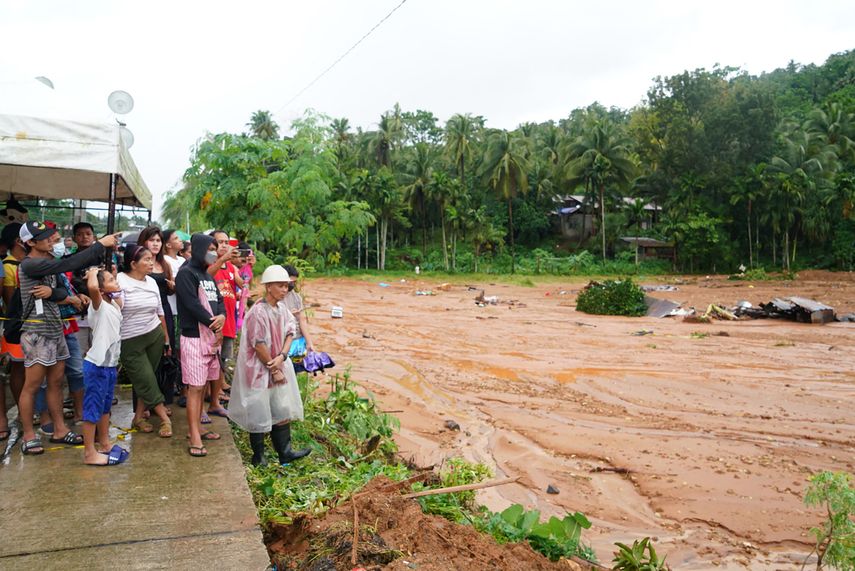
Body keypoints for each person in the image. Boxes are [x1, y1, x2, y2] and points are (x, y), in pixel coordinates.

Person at [16, 221, 118, 456]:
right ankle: (29, 435)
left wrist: (53, 293)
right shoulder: (30, 264)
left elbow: (63, 291)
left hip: (55, 328)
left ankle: (60, 429)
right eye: (45, 237)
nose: (51, 239)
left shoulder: (49, 262)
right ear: (30, 242)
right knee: (32, 385)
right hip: (36, 331)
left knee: (56, 382)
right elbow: (69, 264)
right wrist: (100, 245)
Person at [228, 265, 310, 466]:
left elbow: (290, 332)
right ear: (269, 287)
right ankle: (259, 456)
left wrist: (282, 356)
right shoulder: (258, 312)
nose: (284, 290)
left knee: (281, 407)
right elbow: (258, 344)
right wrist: (274, 368)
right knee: (259, 410)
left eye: (286, 286)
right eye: (280, 286)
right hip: (259, 369)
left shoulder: (281, 309)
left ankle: (285, 452)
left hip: (278, 364)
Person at [176, 233, 225, 457]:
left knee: (204, 384)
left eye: (215, 249)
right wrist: (214, 323)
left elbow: (219, 300)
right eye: (210, 249)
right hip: (194, 337)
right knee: (195, 388)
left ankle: (199, 427)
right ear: (199, 250)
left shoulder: (207, 275)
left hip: (211, 339)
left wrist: (222, 316)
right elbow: (192, 304)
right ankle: (193, 435)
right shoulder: (186, 273)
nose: (213, 253)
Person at [117, 245, 172, 437]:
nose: (151, 262)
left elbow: (160, 311)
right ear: (133, 264)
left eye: (151, 259)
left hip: (154, 335)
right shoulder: (119, 280)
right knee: (146, 378)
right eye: (146, 260)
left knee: (146, 378)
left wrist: (166, 338)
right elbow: (117, 307)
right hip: (130, 340)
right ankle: (165, 419)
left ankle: (138, 417)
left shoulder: (152, 282)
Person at [81, 267, 128, 466]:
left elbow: (119, 299)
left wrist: (112, 275)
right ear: (101, 290)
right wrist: (93, 272)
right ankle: (89, 453)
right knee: (92, 409)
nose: (116, 282)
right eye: (111, 280)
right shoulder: (98, 305)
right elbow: (93, 287)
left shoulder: (114, 304)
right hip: (97, 366)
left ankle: (105, 443)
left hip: (109, 366)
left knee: (105, 407)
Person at [206, 230, 244, 415]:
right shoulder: (209, 262)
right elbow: (206, 276)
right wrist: (222, 259)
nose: (224, 245)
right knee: (212, 358)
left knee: (222, 358)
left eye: (226, 242)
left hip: (229, 318)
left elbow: (242, 284)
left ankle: (218, 390)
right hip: (213, 320)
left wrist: (244, 265)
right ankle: (212, 393)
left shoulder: (230, 266)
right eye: (220, 242)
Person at [1, 222, 26, 440]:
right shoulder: (9, 266)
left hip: (31, 323)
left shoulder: (27, 263)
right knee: (18, 368)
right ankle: (21, 409)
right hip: (18, 325)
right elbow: (10, 302)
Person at [282, 265, 315, 366]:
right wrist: (289, 314)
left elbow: (302, 320)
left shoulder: (296, 298)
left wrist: (309, 342)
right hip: (282, 341)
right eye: (290, 282)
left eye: (294, 282)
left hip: (297, 341)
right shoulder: (275, 298)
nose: (292, 285)